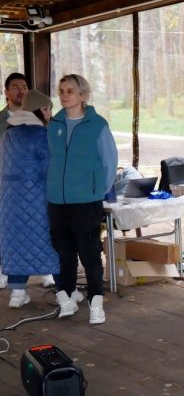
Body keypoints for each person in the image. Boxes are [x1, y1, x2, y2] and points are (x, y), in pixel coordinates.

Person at [47, 74, 117, 325]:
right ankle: (65, 297)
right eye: (62, 90)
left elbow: (109, 162)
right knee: (62, 253)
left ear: (83, 95)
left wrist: (96, 190)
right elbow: (49, 161)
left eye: (71, 91)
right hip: (57, 201)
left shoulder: (98, 125)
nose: (65, 95)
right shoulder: (53, 125)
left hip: (86, 201)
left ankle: (96, 301)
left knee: (89, 253)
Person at [0, 90, 64, 308]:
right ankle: (63, 292)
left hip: (9, 202)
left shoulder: (8, 134)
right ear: (40, 110)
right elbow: (51, 171)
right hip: (37, 200)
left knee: (17, 244)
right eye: (48, 109)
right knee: (49, 244)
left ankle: (17, 294)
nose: (50, 114)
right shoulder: (41, 135)